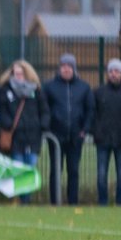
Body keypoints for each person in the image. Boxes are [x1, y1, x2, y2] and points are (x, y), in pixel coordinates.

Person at [43, 53, 94, 206]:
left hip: (75, 136)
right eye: (63, 66)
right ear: (59, 68)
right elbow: (44, 108)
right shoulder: (49, 86)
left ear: (74, 69)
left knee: (73, 171)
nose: (66, 69)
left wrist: (84, 130)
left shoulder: (84, 87)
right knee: (55, 171)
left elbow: (90, 110)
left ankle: (73, 202)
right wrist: (48, 128)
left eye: (69, 66)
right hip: (55, 136)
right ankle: (54, 201)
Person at [0, 59, 50, 204]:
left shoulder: (36, 90)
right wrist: (8, 124)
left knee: (30, 167)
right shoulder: (6, 90)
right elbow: (2, 111)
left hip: (33, 137)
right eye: (15, 73)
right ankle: (22, 199)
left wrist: (42, 125)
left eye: (21, 73)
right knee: (18, 169)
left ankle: (27, 198)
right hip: (16, 137)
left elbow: (44, 110)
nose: (18, 76)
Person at [93, 58, 121, 206]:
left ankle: (120, 202)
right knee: (101, 174)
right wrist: (97, 131)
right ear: (107, 74)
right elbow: (93, 114)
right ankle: (103, 202)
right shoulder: (99, 92)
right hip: (103, 139)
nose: (114, 74)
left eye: (117, 71)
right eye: (111, 71)